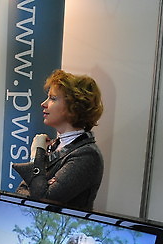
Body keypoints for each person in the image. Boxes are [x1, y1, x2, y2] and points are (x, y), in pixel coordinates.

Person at [13, 69, 104, 210]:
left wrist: (37, 153)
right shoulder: (55, 145)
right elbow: (21, 192)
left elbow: (41, 202)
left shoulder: (87, 155)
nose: (43, 104)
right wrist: (40, 185)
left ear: (74, 107)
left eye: (53, 98)